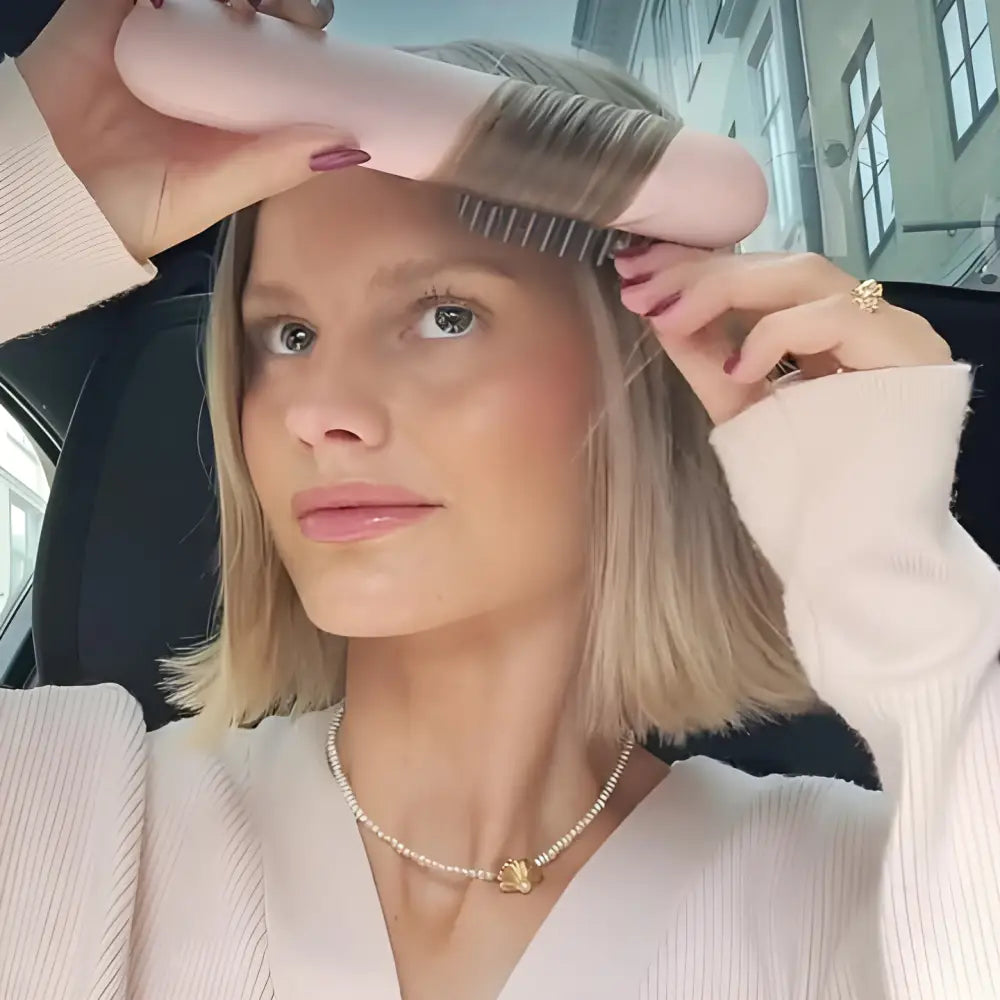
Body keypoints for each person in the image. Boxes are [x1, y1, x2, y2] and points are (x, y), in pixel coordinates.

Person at [1, 1, 998, 998]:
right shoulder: (71, 819)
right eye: (288, 336)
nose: (321, 412)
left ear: (645, 363)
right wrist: (25, 179)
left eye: (444, 315)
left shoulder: (848, 888)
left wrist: (890, 561)